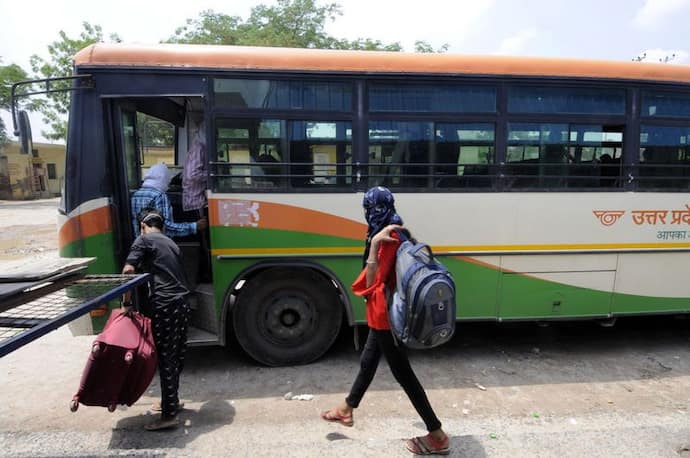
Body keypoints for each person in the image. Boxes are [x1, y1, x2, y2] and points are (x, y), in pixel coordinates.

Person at [320, 186, 450, 455]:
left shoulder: (388, 237)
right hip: (381, 313)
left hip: (386, 317)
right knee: (368, 362)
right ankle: (347, 409)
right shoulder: (397, 226)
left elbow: (370, 284)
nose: (367, 214)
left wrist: (375, 246)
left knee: (403, 374)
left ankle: (437, 435)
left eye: (368, 209)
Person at [122, 208, 192, 431]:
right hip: (183, 303)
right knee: (176, 355)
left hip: (165, 305)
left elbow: (128, 271)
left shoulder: (143, 241)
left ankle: (169, 415)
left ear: (142, 225)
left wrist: (126, 303)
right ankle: (171, 402)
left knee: (166, 359)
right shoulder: (170, 243)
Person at [130, 163, 207, 238]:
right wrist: (194, 226)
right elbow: (165, 227)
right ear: (163, 178)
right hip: (157, 244)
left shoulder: (136, 195)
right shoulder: (159, 195)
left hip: (140, 242)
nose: (168, 183)